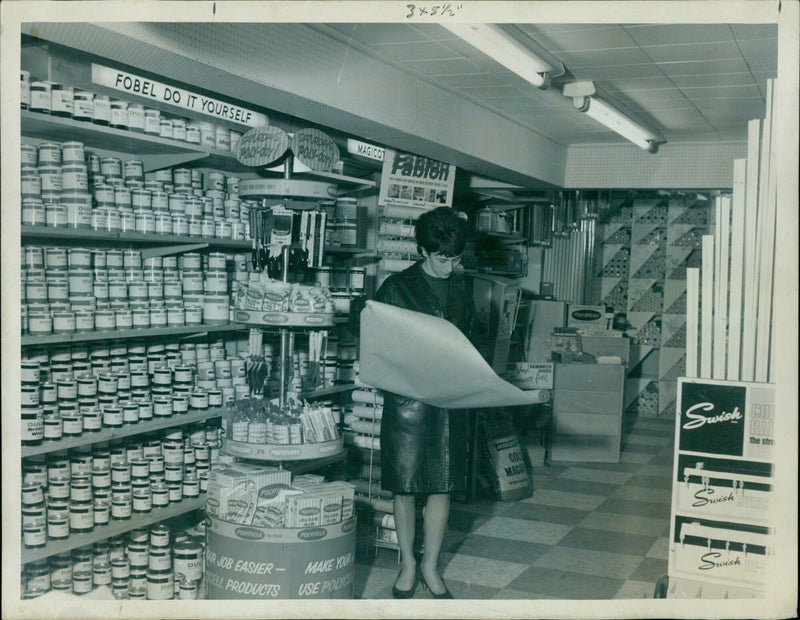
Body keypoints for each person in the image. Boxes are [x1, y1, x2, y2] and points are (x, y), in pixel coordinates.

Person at [371, 206, 476, 599]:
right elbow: (374, 342)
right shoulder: (396, 287)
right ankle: (408, 564)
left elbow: (471, 342)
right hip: (407, 403)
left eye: (456, 258)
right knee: (405, 486)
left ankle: (431, 566)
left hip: (449, 400)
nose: (450, 266)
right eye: (442, 258)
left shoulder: (463, 289)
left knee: (442, 486)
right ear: (421, 251)